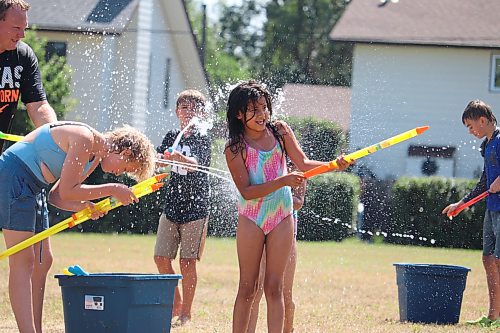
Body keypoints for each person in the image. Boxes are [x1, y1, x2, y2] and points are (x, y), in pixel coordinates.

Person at [0, 121, 156, 333]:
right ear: (124, 151)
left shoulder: (93, 157)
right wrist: (113, 189)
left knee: (43, 259)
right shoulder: (84, 139)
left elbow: (57, 196)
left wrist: (84, 206)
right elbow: (67, 191)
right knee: (23, 260)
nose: (119, 174)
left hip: (34, 187)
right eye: (126, 168)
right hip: (14, 176)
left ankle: (36, 329)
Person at [225, 80, 350, 333]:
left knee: (275, 286)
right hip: (252, 217)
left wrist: (333, 165)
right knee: (248, 287)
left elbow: (303, 164)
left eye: (264, 108)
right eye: (254, 110)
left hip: (282, 215)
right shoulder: (235, 147)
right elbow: (247, 192)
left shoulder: (280, 131)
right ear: (239, 114)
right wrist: (282, 181)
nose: (262, 115)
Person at [153, 89, 211, 327]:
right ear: (177, 112)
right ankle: (175, 301)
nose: (188, 112)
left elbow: (196, 165)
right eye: (184, 108)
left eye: (193, 108)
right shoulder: (172, 135)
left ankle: (186, 312)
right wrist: (157, 161)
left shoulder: (203, 137)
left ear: (201, 113)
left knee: (188, 262)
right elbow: (160, 161)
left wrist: (180, 158)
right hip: (172, 206)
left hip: (196, 208)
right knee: (160, 258)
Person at [442, 100, 500, 327]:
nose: (470, 131)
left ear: (483, 120)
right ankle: (493, 316)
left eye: (470, 125)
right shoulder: (486, 146)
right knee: (488, 259)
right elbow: (485, 181)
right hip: (492, 209)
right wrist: (461, 203)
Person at [247, 161, 307, 333]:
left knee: (284, 294)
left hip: (284, 238)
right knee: (254, 292)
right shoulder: (260, 162)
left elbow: (298, 203)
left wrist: (278, 188)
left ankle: (288, 329)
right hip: (259, 233)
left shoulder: (297, 169)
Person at [0, 0, 57, 152]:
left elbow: (38, 105)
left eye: (24, 28)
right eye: (16, 28)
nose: (22, 35)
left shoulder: (23, 55)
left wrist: (56, 134)